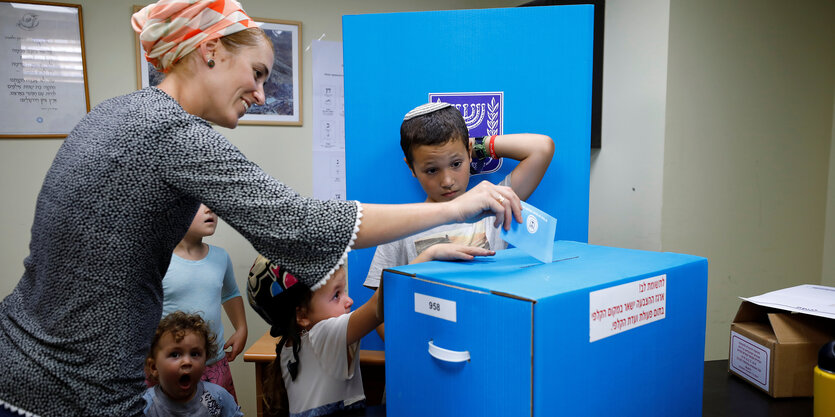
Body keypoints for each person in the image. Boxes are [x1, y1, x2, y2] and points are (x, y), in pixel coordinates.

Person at [0, 1, 522, 416]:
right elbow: (300, 225)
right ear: (208, 50)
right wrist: (458, 208)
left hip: (28, 359)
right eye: (256, 71)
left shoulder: (119, 113)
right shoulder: (169, 132)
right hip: (65, 389)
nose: (260, 91)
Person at [364, 102, 554, 331]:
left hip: (488, 333)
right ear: (412, 168)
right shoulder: (399, 227)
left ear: (469, 153)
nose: (447, 180)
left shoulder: (494, 206)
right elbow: (380, 317)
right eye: (432, 169)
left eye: (456, 164)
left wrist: (475, 146)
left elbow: (542, 148)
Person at [247, 258, 381, 417]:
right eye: (336, 295)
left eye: (344, 291)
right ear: (302, 315)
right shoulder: (323, 335)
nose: (349, 301)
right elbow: (377, 306)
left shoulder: (289, 345)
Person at [152, 204, 246, 402]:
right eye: (198, 205)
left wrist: (241, 328)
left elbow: (230, 293)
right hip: (171, 368)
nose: (209, 210)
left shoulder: (220, 257)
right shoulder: (158, 259)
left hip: (214, 364)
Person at [143, 311, 242, 417]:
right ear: (154, 367)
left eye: (195, 354)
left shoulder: (217, 398)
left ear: (205, 361)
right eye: (175, 355)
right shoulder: (145, 406)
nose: (187, 362)